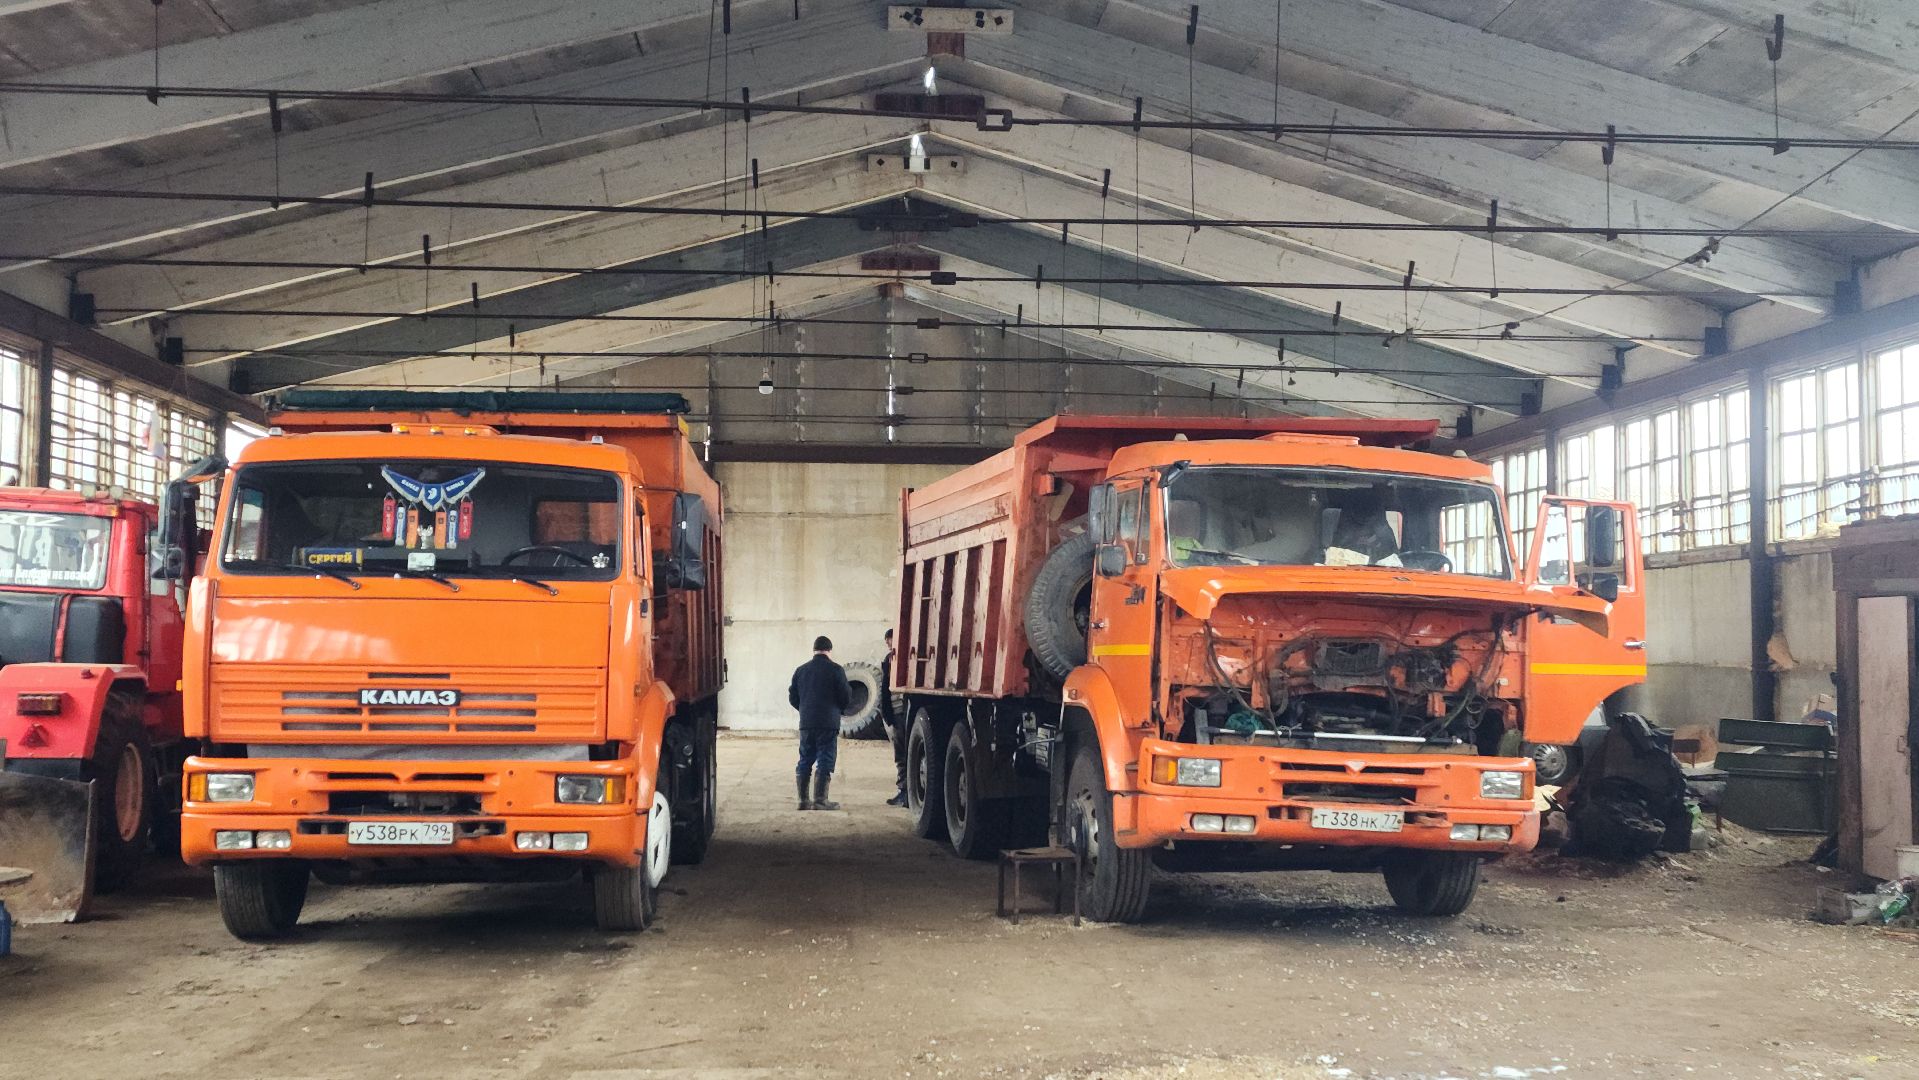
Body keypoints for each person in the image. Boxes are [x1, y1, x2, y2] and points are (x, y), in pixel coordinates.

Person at [789, 635, 851, 811]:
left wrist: (805, 710)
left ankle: (802, 800)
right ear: (829, 651)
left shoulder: (801, 670)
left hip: (807, 722)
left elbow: (793, 697)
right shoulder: (836, 670)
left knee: (805, 758)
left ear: (814, 650)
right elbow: (845, 696)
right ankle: (820, 800)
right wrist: (839, 709)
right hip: (828, 723)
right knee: (825, 757)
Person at [880, 629, 908, 807]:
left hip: (901, 712)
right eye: (887, 641)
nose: (889, 644)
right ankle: (904, 792)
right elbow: (885, 689)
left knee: (902, 754)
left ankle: (905, 792)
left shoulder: (898, 658)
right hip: (897, 713)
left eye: (890, 640)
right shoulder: (889, 660)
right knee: (902, 754)